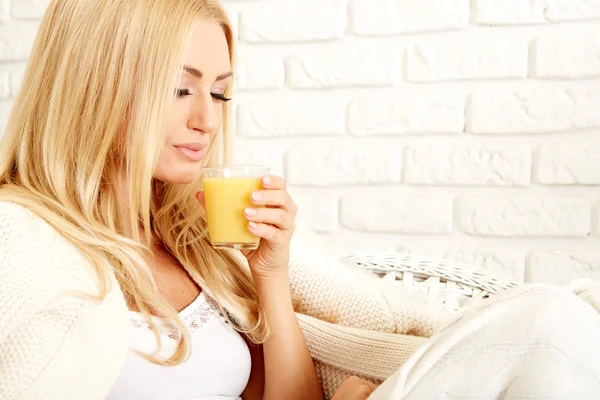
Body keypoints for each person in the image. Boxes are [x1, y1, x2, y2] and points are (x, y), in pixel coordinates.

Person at [0, 1, 376, 399]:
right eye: (181, 88)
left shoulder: (191, 241)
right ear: (94, 84)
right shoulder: (21, 242)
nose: (210, 120)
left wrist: (270, 276)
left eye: (219, 93)